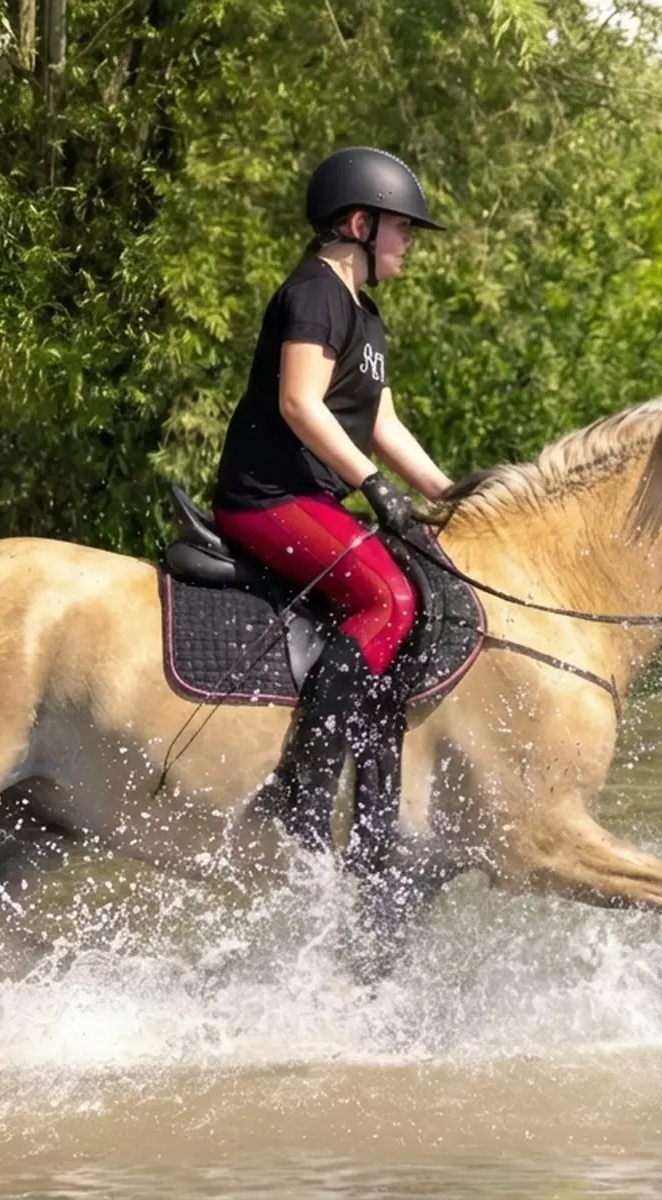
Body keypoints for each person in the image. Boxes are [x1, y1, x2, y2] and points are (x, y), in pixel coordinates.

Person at [211, 147, 453, 882]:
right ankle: (303, 785)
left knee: (423, 584)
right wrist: (374, 488)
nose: (408, 243)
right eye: (400, 229)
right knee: (389, 596)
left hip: (314, 500)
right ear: (358, 223)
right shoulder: (316, 292)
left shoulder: (363, 314)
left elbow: (380, 423)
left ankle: (375, 796)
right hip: (269, 498)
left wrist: (450, 495)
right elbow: (298, 402)